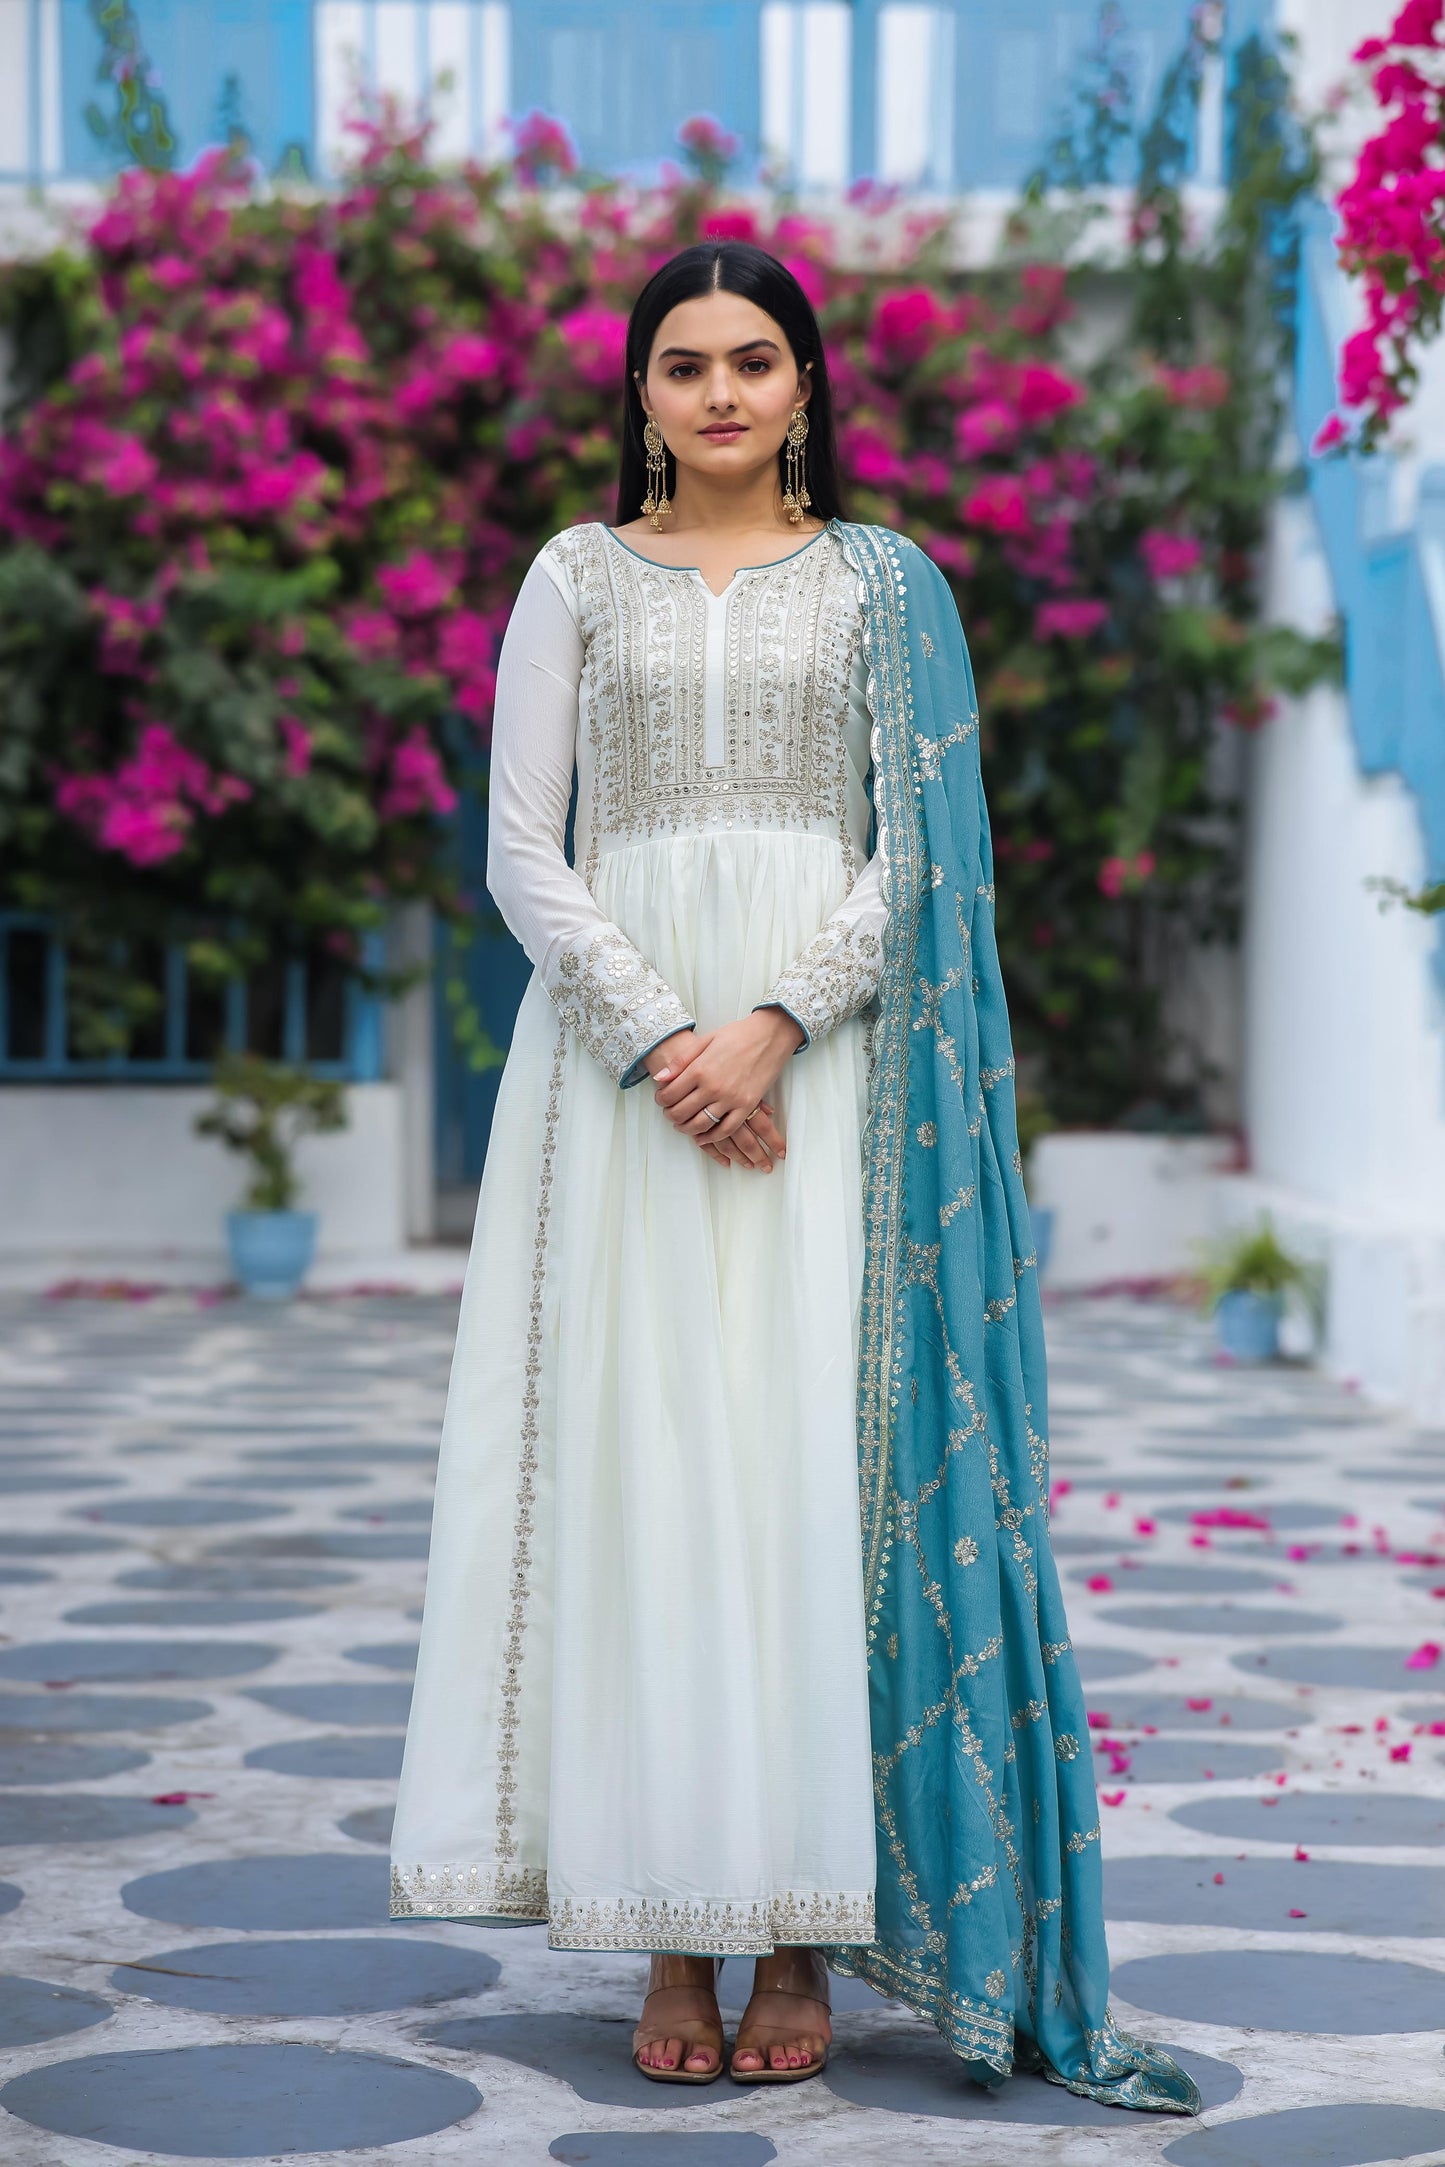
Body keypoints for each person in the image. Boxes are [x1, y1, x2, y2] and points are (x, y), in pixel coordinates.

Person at [390, 240, 1199, 2115]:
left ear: (808, 383)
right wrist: (664, 1039)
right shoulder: (573, 580)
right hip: (613, 1083)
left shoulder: (883, 587)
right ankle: (674, 1921)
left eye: (755, 360)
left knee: (802, 1466)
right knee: (645, 1461)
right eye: (685, 368)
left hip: (832, 1082)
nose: (724, 393)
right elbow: (521, 848)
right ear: (642, 399)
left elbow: (916, 851)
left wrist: (768, 1023)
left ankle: (802, 1929)